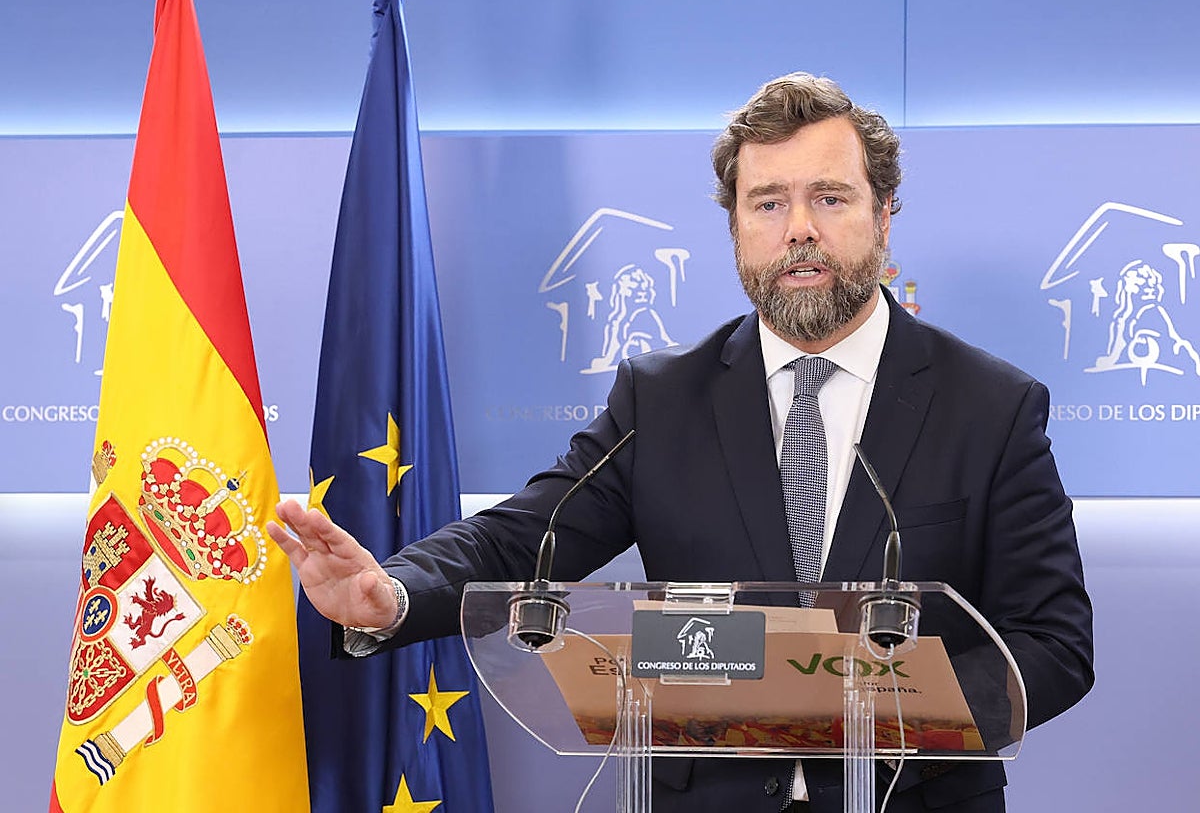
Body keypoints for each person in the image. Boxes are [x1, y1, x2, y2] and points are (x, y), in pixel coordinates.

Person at [268, 72, 1094, 812]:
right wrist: (395, 594)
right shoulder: (661, 399)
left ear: (884, 215)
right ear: (735, 227)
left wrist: (897, 712)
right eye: (768, 203)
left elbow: (1055, 644)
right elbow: (528, 536)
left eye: (830, 198)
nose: (798, 228)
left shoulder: (992, 404)